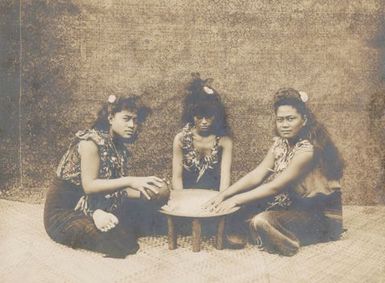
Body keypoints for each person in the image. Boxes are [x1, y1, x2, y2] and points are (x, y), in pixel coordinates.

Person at [204, 88, 344, 256]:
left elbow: (275, 187)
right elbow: (257, 174)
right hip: (294, 206)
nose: (284, 125)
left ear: (304, 120)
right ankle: (258, 231)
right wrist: (224, 195)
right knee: (235, 211)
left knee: (261, 219)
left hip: (319, 215)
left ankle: (287, 241)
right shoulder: (280, 143)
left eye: (291, 119)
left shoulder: (307, 150)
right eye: (280, 120)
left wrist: (235, 199)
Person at [44, 95, 170, 258]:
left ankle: (108, 216)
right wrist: (131, 181)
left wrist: (148, 190)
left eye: (135, 120)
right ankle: (100, 217)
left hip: (97, 202)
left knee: (158, 212)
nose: (132, 125)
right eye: (126, 119)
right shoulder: (90, 142)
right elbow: (89, 187)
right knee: (120, 241)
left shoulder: (118, 146)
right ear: (110, 118)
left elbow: (114, 188)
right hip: (67, 212)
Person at [172, 73, 233, 191]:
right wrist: (182, 201)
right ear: (191, 115)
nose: (204, 122)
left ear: (216, 115)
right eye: (199, 117)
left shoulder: (224, 141)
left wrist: (218, 202)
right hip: (185, 196)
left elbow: (225, 180)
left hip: (212, 196)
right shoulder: (180, 139)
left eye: (209, 116)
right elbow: (177, 178)